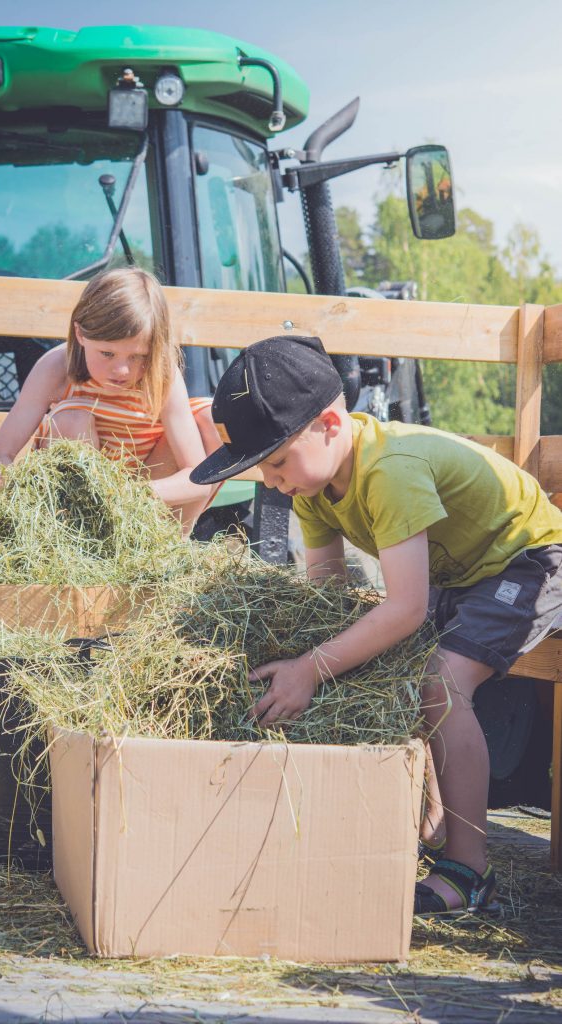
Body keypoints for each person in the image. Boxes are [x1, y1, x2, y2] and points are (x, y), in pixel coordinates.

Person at [190, 333, 562, 915]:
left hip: (527, 557)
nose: (271, 482)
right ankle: (431, 826)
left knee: (440, 679)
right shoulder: (311, 486)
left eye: (278, 461)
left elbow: (408, 608)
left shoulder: (391, 468)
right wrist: (311, 653)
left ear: (332, 425)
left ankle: (469, 871)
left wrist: (311, 670)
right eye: (264, 469)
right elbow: (328, 590)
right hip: (460, 571)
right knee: (390, 665)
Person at [0, 267, 219, 535]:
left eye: (138, 356)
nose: (122, 371)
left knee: (210, 419)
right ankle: (77, 542)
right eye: (107, 353)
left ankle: (169, 547)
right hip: (77, 507)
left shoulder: (163, 375)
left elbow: (198, 478)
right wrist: (34, 500)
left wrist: (129, 494)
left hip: (143, 499)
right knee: (71, 420)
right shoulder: (56, 368)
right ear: (81, 334)